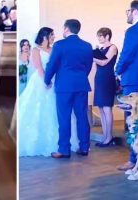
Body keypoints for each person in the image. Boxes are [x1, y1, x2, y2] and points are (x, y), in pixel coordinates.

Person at [19, 27, 79, 156]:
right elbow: (39, 67)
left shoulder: (54, 49)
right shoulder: (35, 50)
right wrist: (46, 81)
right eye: (52, 35)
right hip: (40, 81)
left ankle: (61, 143)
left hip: (56, 81)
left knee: (58, 111)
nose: (54, 37)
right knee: (39, 109)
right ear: (45, 36)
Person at [45, 19, 93, 158]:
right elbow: (88, 66)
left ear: (66, 29)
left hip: (64, 86)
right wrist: (80, 77)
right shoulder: (87, 46)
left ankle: (64, 149)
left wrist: (47, 80)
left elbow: (52, 64)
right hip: (81, 85)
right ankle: (84, 147)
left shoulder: (60, 45)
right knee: (82, 116)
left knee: (64, 117)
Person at [116, 0, 138, 171]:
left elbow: (127, 53)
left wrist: (117, 70)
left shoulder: (133, 30)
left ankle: (133, 159)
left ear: (134, 11)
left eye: (128, 11)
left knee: (132, 118)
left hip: (133, 78)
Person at [93, 27, 118, 147]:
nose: (98, 38)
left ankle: (109, 137)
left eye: (100, 36)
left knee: (107, 107)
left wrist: (92, 56)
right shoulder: (101, 48)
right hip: (99, 77)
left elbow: (104, 62)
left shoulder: (112, 47)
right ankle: (105, 136)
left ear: (107, 36)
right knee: (101, 108)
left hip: (107, 77)